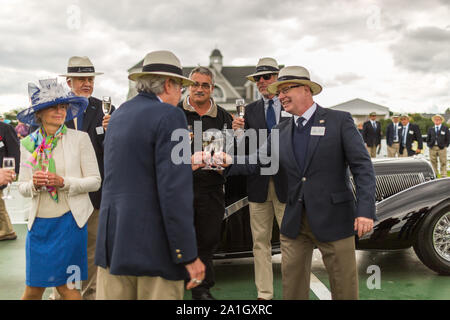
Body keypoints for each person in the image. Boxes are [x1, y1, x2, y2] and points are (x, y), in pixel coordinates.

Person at [222, 66, 376, 300]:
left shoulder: (339, 121)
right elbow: (257, 161)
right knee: (292, 289)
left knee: (344, 288)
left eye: (286, 90)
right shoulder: (280, 129)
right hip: (294, 221)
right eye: (279, 91)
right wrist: (227, 160)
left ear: (306, 90)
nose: (280, 96)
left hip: (334, 218)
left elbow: (362, 167)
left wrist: (365, 211)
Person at [95, 50, 205, 300]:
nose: (182, 95)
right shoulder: (171, 116)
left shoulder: (120, 113)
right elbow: (174, 192)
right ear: (168, 84)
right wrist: (187, 253)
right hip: (155, 248)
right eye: (181, 88)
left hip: (113, 244)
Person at [17, 79, 101, 300]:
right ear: (40, 113)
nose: (60, 111)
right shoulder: (28, 144)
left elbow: (95, 181)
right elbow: (22, 187)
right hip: (39, 226)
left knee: (67, 288)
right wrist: (34, 184)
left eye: (63, 106)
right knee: (33, 288)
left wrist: (63, 182)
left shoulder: (80, 139)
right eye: (54, 107)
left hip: (70, 223)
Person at [58, 56, 115, 299]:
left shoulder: (106, 109)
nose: (87, 83)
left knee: (93, 249)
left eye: (90, 79)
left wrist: (112, 131)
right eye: (81, 79)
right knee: (65, 249)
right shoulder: (54, 108)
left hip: (96, 192)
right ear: (69, 81)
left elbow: (115, 150)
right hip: (63, 191)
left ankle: (92, 295)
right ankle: (64, 295)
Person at [232, 57, 288, 300]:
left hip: (288, 183)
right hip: (258, 185)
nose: (262, 82)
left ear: (277, 78)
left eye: (267, 76)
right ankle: (264, 295)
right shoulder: (248, 111)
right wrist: (237, 134)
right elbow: (243, 151)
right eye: (258, 78)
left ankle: (293, 292)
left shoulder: (291, 105)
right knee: (260, 244)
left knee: (291, 242)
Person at [177, 66, 232, 300]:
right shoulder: (173, 112)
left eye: (205, 85)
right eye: (195, 84)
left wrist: (226, 161)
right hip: (178, 189)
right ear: (188, 86)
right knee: (177, 237)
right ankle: (176, 284)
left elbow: (232, 151)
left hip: (211, 190)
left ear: (212, 88)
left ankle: (202, 289)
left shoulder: (224, 117)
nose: (199, 89)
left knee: (208, 239)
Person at [0, 121, 20, 241]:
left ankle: (7, 231)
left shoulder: (5, 129)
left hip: (3, 174)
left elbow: (15, 153)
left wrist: (13, 172)